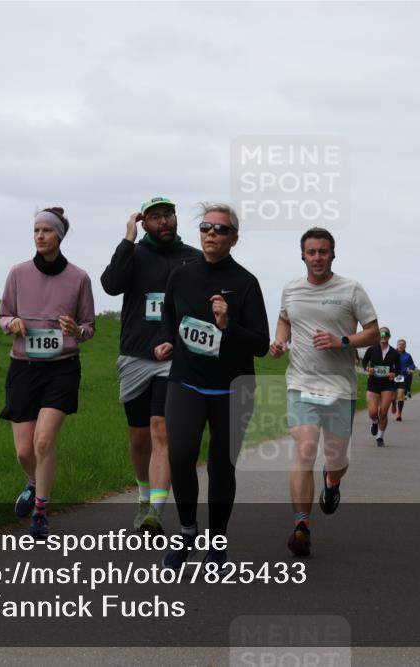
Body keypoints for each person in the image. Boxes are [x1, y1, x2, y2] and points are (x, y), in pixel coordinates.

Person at [154, 203, 269, 569]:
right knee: (180, 455)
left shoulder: (246, 283)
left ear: (234, 238)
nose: (211, 234)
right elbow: (168, 315)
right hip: (186, 382)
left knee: (221, 467)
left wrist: (227, 325)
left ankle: (217, 545)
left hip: (232, 389)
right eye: (206, 227)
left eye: (221, 229)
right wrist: (166, 339)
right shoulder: (181, 276)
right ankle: (188, 532)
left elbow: (261, 344)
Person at [269, 227, 380, 557]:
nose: (317, 257)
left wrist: (341, 341)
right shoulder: (291, 289)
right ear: (302, 255)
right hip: (301, 382)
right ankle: (301, 526)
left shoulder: (350, 289)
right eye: (311, 252)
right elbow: (285, 319)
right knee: (305, 450)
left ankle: (332, 482)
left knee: (336, 459)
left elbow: (373, 332)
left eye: (323, 251)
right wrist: (280, 341)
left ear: (333, 254)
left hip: (339, 387)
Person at [101, 196, 202, 536]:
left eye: (168, 214)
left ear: (176, 218)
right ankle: (144, 497)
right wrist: (127, 240)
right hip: (135, 356)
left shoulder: (193, 258)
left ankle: (155, 511)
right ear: (144, 224)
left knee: (162, 430)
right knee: (139, 436)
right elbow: (111, 285)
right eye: (155, 217)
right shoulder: (134, 254)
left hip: (175, 358)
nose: (164, 221)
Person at [0, 207, 96, 539]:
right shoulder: (18, 273)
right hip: (23, 367)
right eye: (36, 230)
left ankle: (40, 511)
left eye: (47, 230)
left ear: (59, 236)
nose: (40, 236)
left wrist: (77, 331)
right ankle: (34, 481)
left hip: (62, 368)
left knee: (43, 441)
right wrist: (12, 322)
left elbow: (89, 326)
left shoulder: (79, 278)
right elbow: (2, 315)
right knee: (24, 451)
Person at [362, 327, 401, 446]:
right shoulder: (371, 349)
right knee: (373, 412)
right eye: (381, 334)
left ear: (389, 336)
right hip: (373, 383)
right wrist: (368, 368)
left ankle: (380, 437)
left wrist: (394, 373)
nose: (383, 336)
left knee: (383, 412)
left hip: (387, 384)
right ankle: (375, 422)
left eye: (386, 334)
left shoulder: (394, 352)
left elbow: (398, 368)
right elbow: (364, 363)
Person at [394, 339, 416, 421]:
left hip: (402, 376)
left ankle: (399, 413)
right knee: (393, 396)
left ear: (405, 346)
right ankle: (393, 403)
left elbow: (412, 364)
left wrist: (411, 369)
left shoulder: (408, 355)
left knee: (400, 394)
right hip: (392, 376)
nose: (401, 345)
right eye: (399, 344)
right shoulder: (391, 353)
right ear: (397, 345)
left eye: (403, 344)